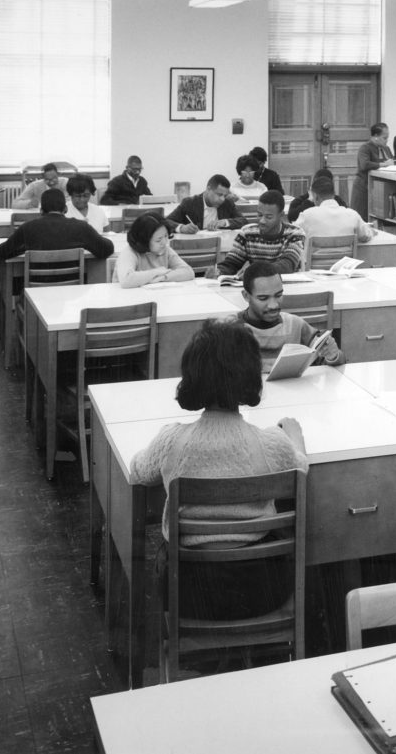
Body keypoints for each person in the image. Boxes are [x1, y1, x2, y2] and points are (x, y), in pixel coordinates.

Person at [130, 318, 308, 620]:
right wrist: (296, 438)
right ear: (252, 376)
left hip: (188, 592)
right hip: (261, 590)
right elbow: (300, 470)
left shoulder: (171, 440)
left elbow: (138, 472)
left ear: (191, 376)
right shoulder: (271, 443)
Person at [236, 261, 343, 371]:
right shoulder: (230, 330)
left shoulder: (295, 325)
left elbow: (334, 362)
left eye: (278, 295)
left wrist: (333, 355)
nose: (273, 305)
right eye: (263, 298)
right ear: (246, 296)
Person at [0, 187, 114, 262]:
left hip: (37, 292)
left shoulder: (27, 228)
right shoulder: (81, 227)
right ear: (65, 209)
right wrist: (86, 243)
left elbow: (0, 253)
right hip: (72, 290)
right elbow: (107, 249)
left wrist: (23, 248)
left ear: (41, 211)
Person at [218, 190, 306, 276]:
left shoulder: (295, 233)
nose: (262, 221)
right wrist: (219, 271)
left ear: (281, 215)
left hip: (288, 287)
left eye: (269, 217)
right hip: (256, 287)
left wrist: (255, 271)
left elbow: (287, 266)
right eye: (259, 215)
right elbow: (232, 262)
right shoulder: (247, 233)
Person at [114, 211, 193, 288]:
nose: (164, 242)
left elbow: (188, 272)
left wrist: (164, 277)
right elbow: (126, 280)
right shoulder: (129, 252)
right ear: (144, 240)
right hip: (128, 298)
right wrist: (157, 271)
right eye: (158, 240)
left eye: (166, 236)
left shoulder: (165, 250)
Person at [294, 176, 375, 242]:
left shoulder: (307, 215)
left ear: (315, 196)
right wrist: (371, 231)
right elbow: (365, 236)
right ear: (334, 194)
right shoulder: (352, 215)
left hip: (316, 262)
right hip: (345, 261)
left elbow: (292, 235)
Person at [167, 174, 245, 234]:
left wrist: (224, 222)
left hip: (221, 246)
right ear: (208, 189)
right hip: (195, 247)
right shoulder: (189, 203)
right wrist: (182, 228)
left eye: (225, 195)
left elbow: (243, 221)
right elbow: (166, 221)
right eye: (219, 194)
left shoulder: (227, 203)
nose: (222, 199)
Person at [350, 122, 393, 221]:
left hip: (381, 187)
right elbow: (364, 165)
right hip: (363, 186)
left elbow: (391, 162)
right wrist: (383, 164)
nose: (387, 140)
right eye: (384, 138)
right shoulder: (365, 148)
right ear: (376, 136)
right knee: (361, 216)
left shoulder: (386, 149)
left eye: (387, 137)